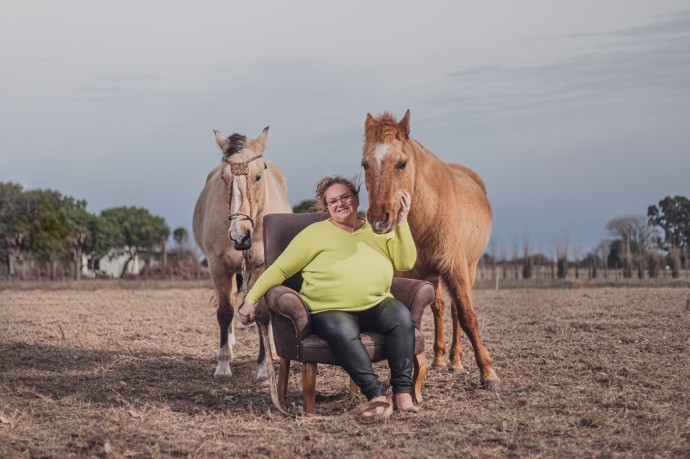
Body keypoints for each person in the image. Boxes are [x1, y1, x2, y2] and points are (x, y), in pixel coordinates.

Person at [238, 176, 418, 419]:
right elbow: (280, 269)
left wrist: (402, 223)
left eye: (345, 197)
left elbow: (405, 262)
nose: (340, 203)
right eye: (333, 201)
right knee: (341, 331)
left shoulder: (378, 230)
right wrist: (251, 299)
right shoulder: (314, 234)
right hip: (329, 309)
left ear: (356, 198)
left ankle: (403, 392)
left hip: (377, 302)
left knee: (401, 317)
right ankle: (376, 396)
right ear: (326, 206)